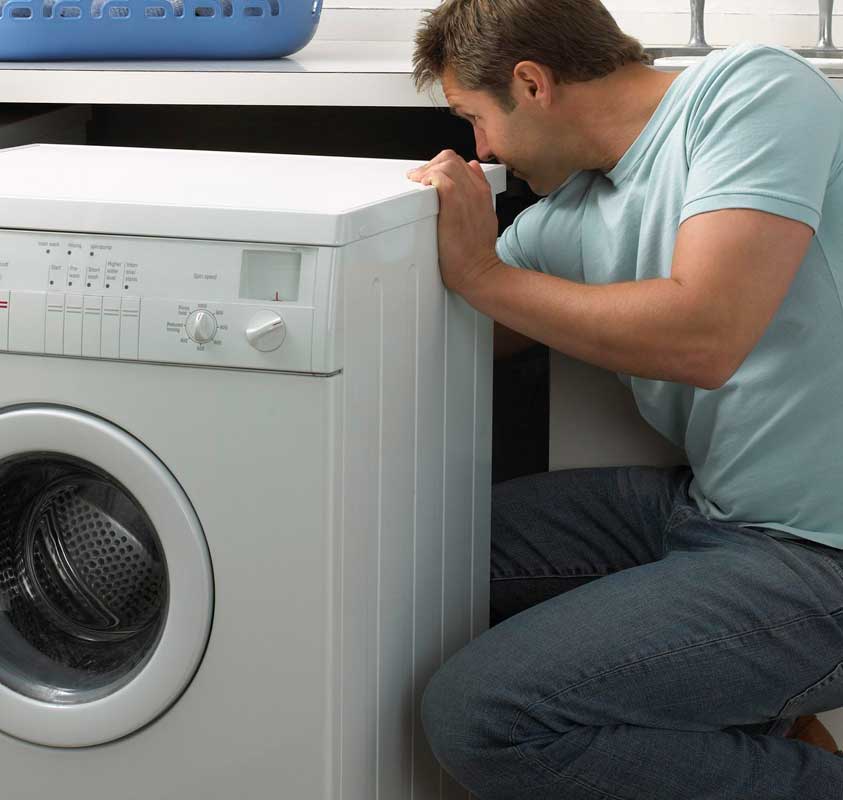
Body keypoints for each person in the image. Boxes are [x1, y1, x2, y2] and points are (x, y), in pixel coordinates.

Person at [406, 1, 843, 797]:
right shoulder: (565, 218)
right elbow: (456, 331)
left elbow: (706, 336)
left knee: (480, 718)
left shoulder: (750, 93)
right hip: (715, 512)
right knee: (400, 556)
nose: (482, 150)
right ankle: (749, 721)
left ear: (531, 84)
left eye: (473, 118)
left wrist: (481, 275)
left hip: (823, 553)